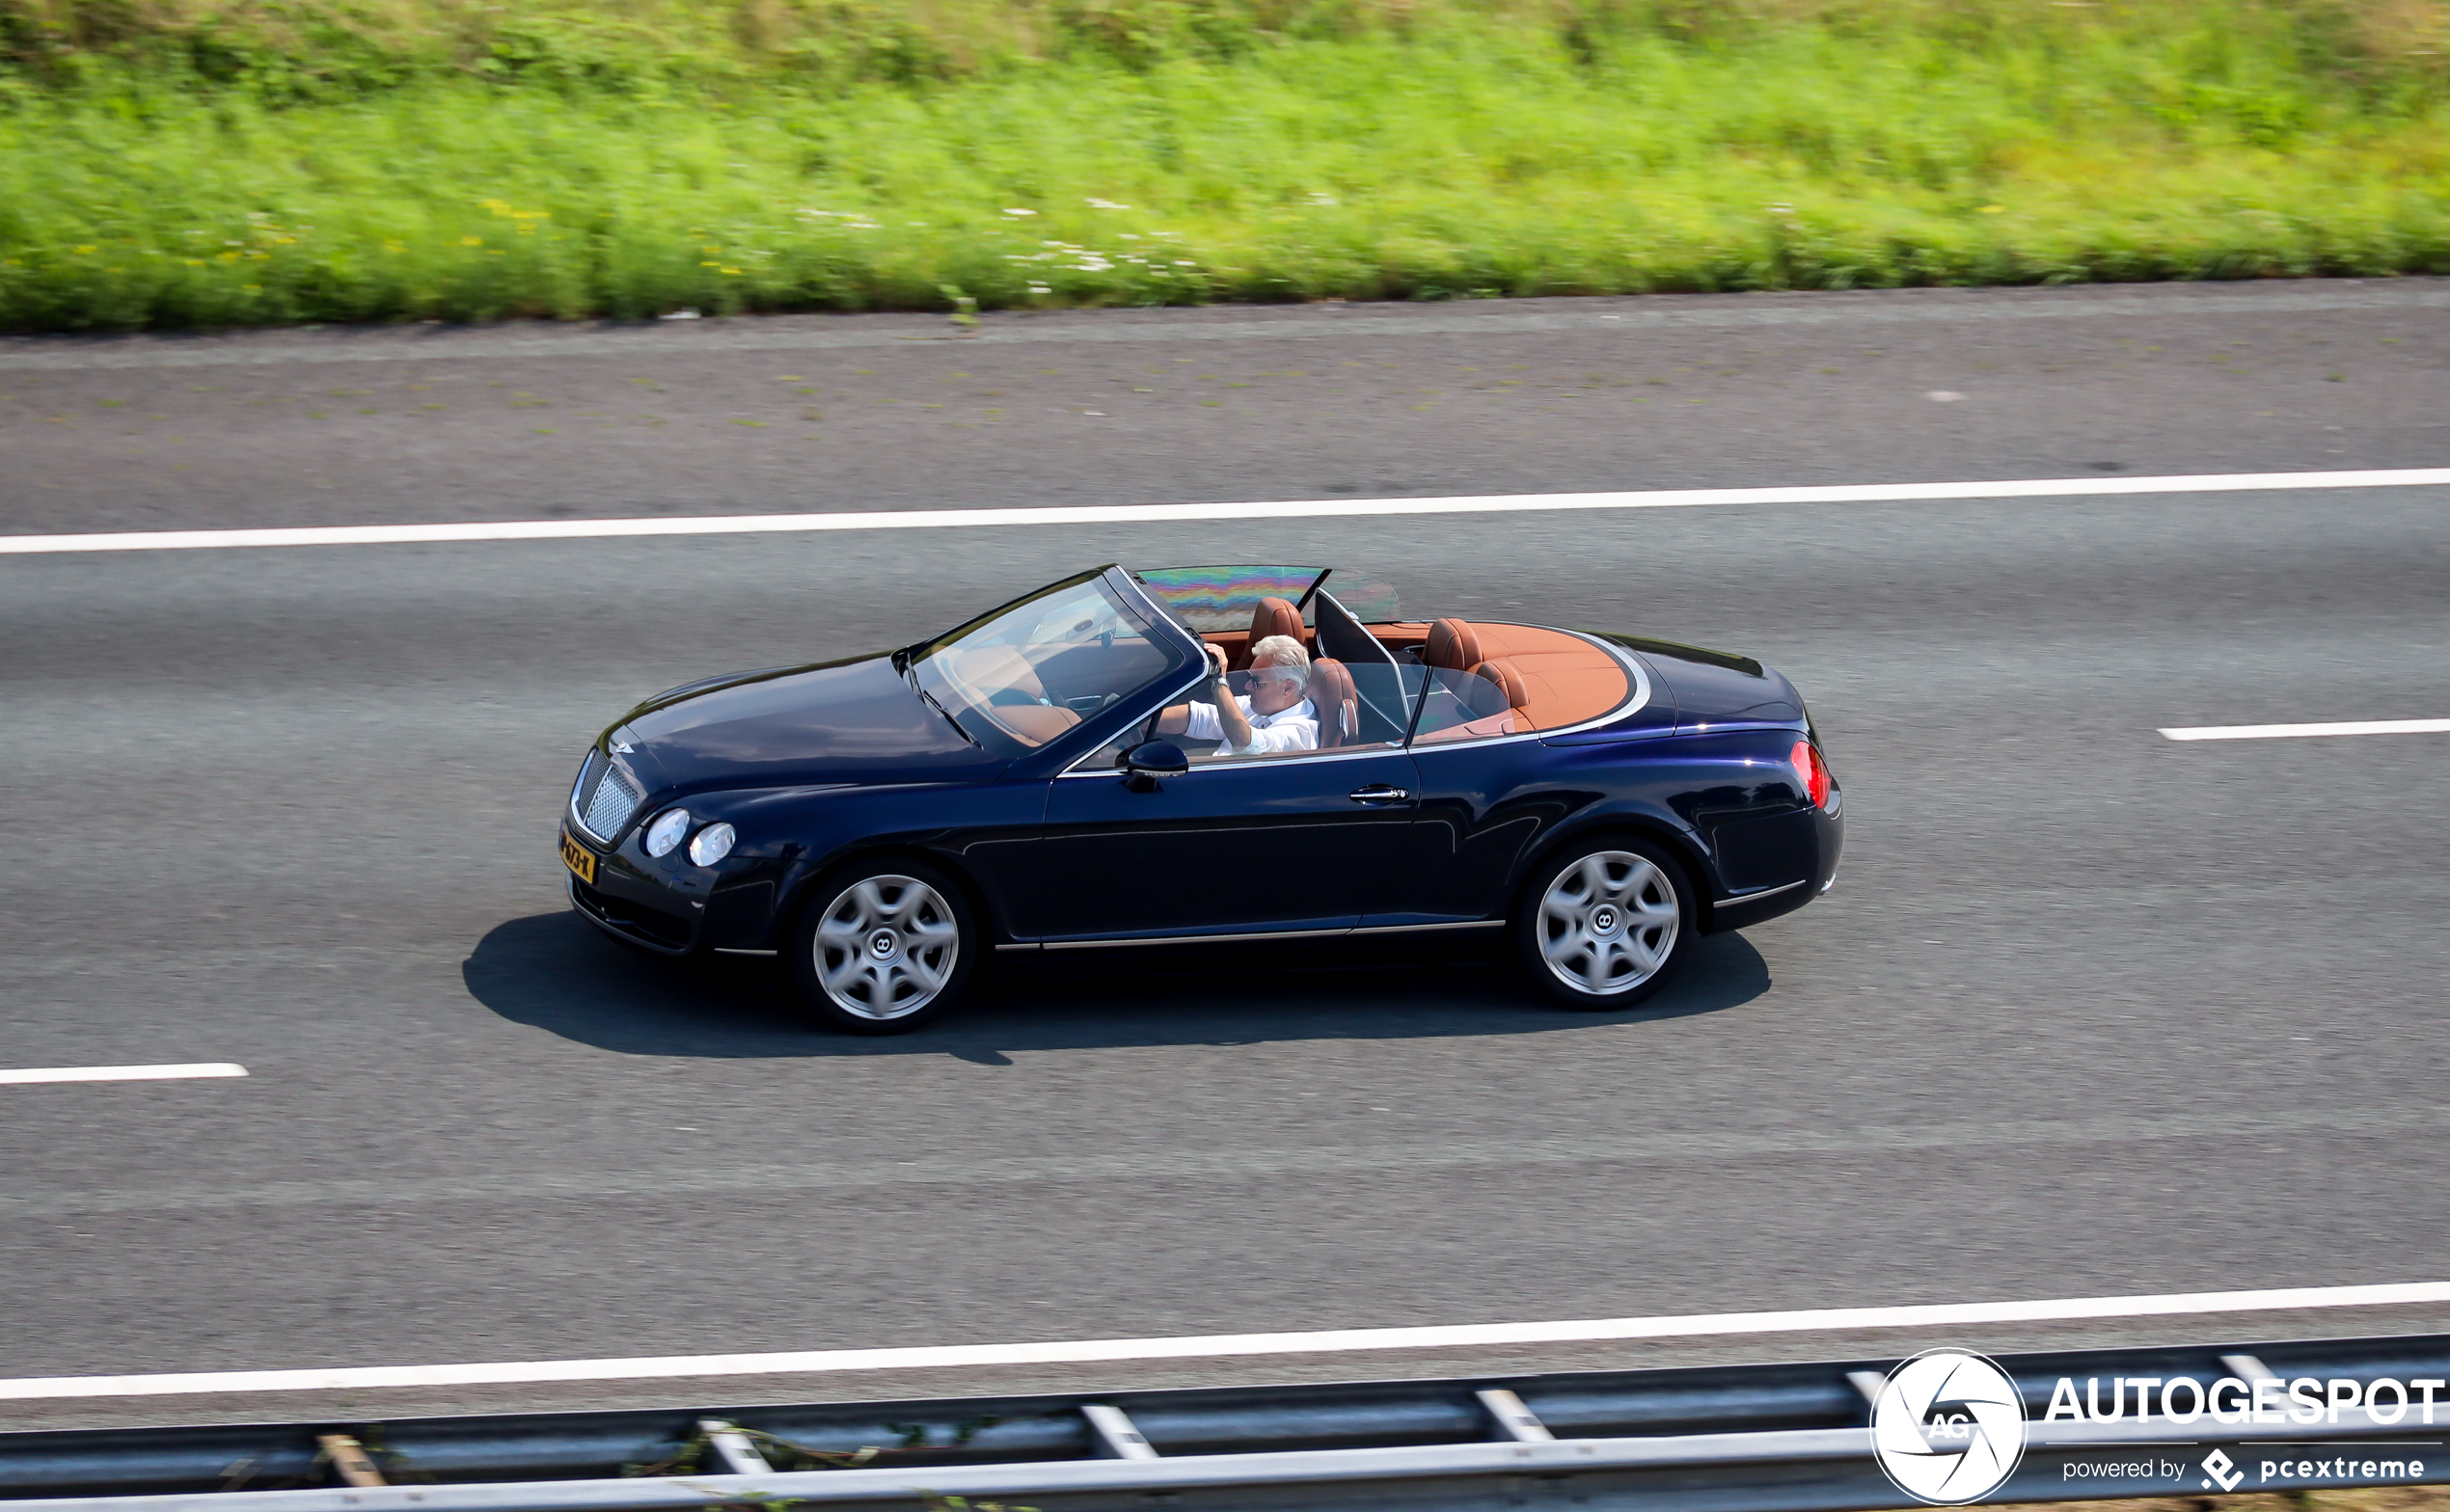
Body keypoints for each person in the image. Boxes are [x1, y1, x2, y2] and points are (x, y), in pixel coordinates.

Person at [1155, 634, 1319, 756]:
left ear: (1287, 688)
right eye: (1249, 678)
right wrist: (1142, 721)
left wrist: (1219, 682)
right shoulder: (1263, 706)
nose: (1247, 687)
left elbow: (1246, 743)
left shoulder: (1300, 732)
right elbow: (1202, 717)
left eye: (1256, 682)